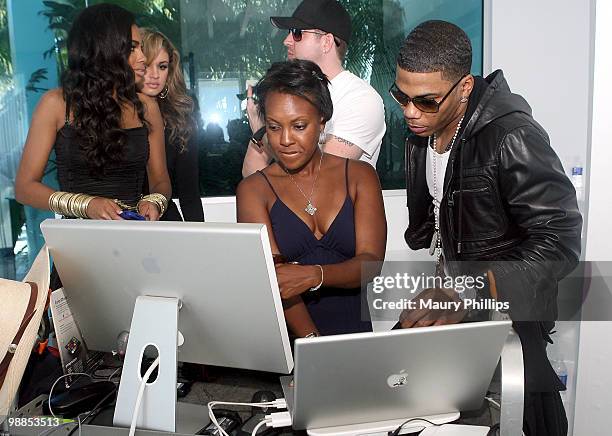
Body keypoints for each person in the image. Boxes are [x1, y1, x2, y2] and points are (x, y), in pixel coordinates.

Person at [392, 20, 582, 435]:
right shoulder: (423, 133)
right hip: (460, 305)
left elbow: (560, 243)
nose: (409, 112)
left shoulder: (513, 136)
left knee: (524, 422)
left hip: (511, 318)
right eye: (400, 96)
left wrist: (468, 290)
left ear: (464, 88)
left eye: (425, 100)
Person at [237, 59, 386, 337]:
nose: (285, 140)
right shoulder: (253, 191)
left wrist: (315, 275)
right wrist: (312, 345)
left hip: (356, 339)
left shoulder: (359, 176)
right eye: (273, 127)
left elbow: (371, 264)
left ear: (322, 120)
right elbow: (277, 283)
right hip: (295, 344)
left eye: (299, 126)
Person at [15, 3, 170, 222]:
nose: (143, 58)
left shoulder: (146, 107)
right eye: (133, 48)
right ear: (106, 50)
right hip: (79, 246)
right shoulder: (56, 104)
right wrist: (86, 205)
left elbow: (161, 181)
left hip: (136, 239)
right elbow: (24, 188)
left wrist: (155, 201)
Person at [241, 0, 386, 177]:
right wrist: (261, 132)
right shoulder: (289, 96)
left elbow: (322, 174)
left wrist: (261, 131)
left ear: (326, 42)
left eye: (297, 33)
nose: (287, 41)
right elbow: (251, 178)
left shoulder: (361, 98)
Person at [140, 29, 204, 222]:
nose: (154, 75)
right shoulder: (110, 115)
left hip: (164, 221)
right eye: (146, 65)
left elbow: (190, 194)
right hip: (115, 223)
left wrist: (204, 244)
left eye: (162, 66)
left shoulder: (180, 119)